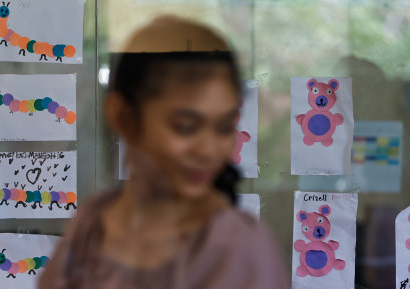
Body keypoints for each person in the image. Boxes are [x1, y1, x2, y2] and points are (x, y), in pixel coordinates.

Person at [38, 16, 289, 289]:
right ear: (122, 117)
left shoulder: (240, 248)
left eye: (225, 127)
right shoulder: (91, 224)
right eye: (186, 127)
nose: (208, 150)